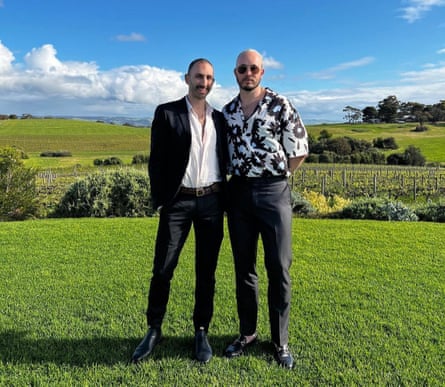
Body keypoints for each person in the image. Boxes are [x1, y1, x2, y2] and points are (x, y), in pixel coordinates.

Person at [131, 58, 227, 364]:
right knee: (163, 268)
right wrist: (161, 200)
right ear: (187, 78)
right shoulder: (167, 112)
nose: (204, 82)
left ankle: (201, 331)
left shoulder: (220, 118)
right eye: (199, 76)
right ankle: (153, 329)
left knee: (206, 272)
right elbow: (156, 161)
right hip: (178, 202)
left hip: (211, 201)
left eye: (209, 78)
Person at [222, 49, 308, 369]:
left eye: (253, 68)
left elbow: (299, 150)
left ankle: (280, 340)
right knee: (244, 269)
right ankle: (247, 334)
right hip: (239, 193)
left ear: (262, 71)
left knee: (279, 269)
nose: (248, 73)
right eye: (242, 69)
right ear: (235, 73)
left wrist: (280, 175)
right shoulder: (228, 111)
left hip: (274, 192)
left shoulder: (280, 105)